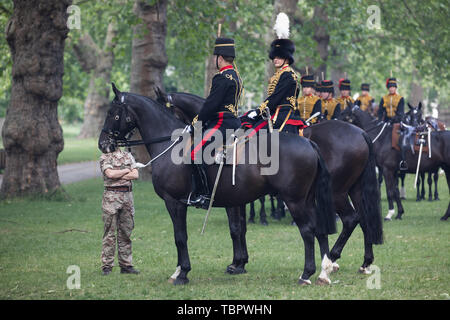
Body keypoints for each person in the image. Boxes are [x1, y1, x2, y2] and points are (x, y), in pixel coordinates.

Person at [188, 37, 243, 209]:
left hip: (222, 123)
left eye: (215, 57)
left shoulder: (221, 77)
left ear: (219, 57)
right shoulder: (236, 76)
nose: (214, 60)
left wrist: (197, 121)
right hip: (233, 122)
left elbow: (211, 105)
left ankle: (204, 195)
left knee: (195, 152)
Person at [247, 13, 304, 135]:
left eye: (279, 57)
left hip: (283, 113)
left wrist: (258, 111)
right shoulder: (278, 74)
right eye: (274, 57)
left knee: (255, 133)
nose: (275, 60)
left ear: (287, 58)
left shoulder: (289, 75)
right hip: (273, 111)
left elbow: (276, 97)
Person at [99, 147, 140, 276]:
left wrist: (119, 173)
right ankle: (107, 266)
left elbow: (136, 175)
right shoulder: (105, 156)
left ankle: (126, 266)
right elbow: (110, 174)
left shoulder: (128, 155)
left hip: (127, 197)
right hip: (111, 198)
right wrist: (127, 170)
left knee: (126, 233)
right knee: (109, 234)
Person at [378, 77, 407, 169]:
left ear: (396, 88)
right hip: (386, 122)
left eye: (393, 87)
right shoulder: (383, 98)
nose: (391, 88)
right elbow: (380, 111)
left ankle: (402, 159)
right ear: (388, 88)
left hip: (397, 123)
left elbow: (401, 113)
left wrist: (393, 120)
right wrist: (380, 121)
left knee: (400, 139)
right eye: (390, 87)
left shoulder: (400, 99)